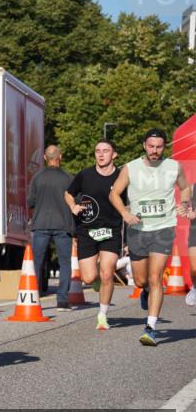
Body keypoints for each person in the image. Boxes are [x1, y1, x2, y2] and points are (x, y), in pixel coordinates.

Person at [109, 129, 192, 345]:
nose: (155, 151)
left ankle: (150, 327)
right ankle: (145, 290)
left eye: (159, 147)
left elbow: (185, 188)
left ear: (165, 147)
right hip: (138, 231)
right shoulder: (131, 167)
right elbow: (114, 194)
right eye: (151, 146)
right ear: (144, 145)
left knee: (156, 278)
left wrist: (183, 203)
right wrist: (125, 213)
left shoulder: (173, 167)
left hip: (163, 229)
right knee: (141, 280)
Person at [64, 139, 123, 330]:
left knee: (107, 272)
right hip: (87, 230)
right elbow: (68, 193)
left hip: (111, 230)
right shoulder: (85, 175)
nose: (101, 154)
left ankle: (102, 315)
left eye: (106, 151)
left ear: (114, 154)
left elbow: (130, 201)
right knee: (89, 278)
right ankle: (96, 277)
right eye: (98, 150)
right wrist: (73, 206)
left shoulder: (122, 177)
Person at [28, 145, 75, 311]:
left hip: (40, 224)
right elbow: (75, 202)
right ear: (60, 157)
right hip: (63, 226)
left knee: (37, 263)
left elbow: (30, 202)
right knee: (64, 264)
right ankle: (62, 301)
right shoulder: (69, 178)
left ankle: (34, 298)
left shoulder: (37, 178)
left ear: (44, 158)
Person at [186, 183, 196, 307]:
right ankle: (195, 287)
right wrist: (186, 209)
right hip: (195, 231)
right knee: (194, 268)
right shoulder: (192, 187)